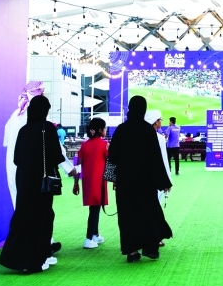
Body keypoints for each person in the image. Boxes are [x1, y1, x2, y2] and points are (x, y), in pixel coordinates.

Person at [0, 95, 64, 274]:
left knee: (23, 216)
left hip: (24, 180)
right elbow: (56, 156)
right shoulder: (47, 128)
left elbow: (16, 158)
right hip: (42, 183)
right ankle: (38, 258)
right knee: (42, 218)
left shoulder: (23, 130)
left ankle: (16, 258)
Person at [108, 95, 173, 262]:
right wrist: (164, 182)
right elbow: (156, 159)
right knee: (148, 213)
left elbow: (112, 155)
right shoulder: (147, 131)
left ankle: (131, 251)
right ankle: (150, 248)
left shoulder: (122, 129)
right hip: (146, 182)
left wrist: (113, 178)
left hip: (125, 181)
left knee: (127, 215)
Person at [73, 118, 109, 248]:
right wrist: (115, 180)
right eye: (104, 128)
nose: (105, 130)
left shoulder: (84, 145)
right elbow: (110, 162)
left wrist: (76, 183)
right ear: (100, 130)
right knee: (95, 209)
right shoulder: (104, 144)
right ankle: (88, 238)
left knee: (94, 207)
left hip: (87, 182)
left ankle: (95, 234)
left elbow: (78, 166)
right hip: (99, 182)